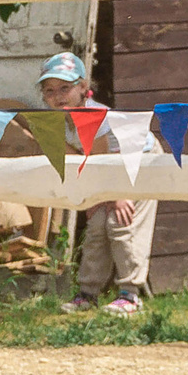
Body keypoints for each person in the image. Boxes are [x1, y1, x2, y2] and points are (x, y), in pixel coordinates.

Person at [36, 51, 156, 315]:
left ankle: (131, 294)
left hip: (138, 160)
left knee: (120, 221)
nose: (58, 96)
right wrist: (95, 197)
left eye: (65, 88)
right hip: (107, 170)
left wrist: (115, 195)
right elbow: (78, 160)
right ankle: (87, 294)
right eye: (50, 90)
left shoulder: (94, 117)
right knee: (96, 225)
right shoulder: (57, 122)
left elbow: (103, 162)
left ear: (82, 88)